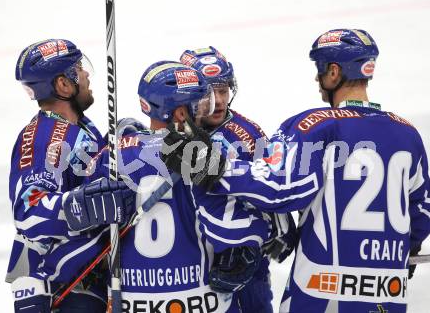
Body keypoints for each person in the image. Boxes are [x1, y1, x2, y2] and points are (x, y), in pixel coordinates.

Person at [162, 29, 430, 312]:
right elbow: (422, 212)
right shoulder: (407, 133)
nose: (318, 78)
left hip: (320, 292)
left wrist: (213, 165)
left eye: (321, 69)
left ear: (335, 72)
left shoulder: (314, 125)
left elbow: (280, 188)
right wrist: (403, 250)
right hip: (387, 292)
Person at [79, 61, 276, 312]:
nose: (206, 111)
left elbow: (84, 226)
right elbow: (237, 231)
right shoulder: (208, 156)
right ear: (181, 113)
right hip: (203, 302)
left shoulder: (113, 156)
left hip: (133, 303)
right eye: (201, 104)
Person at [8, 39, 135, 312]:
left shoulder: (77, 128)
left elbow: (89, 176)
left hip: (84, 277)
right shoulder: (44, 138)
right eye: (79, 69)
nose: (87, 74)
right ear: (64, 85)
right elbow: (28, 211)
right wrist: (83, 207)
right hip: (62, 290)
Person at [180, 46, 297, 313]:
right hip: (187, 265)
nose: (219, 100)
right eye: (209, 92)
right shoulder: (174, 126)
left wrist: (253, 247)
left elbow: (274, 195)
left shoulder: (247, 136)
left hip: (237, 272)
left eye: (223, 90)